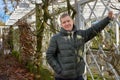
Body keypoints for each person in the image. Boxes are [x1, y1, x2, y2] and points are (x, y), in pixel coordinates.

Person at [46, 11, 114, 80]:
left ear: (72, 21)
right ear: (61, 25)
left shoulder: (81, 35)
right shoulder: (56, 38)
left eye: (68, 21)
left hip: (78, 76)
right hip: (62, 77)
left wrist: (108, 19)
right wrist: (59, 70)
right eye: (64, 22)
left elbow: (94, 29)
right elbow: (49, 55)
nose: (67, 23)